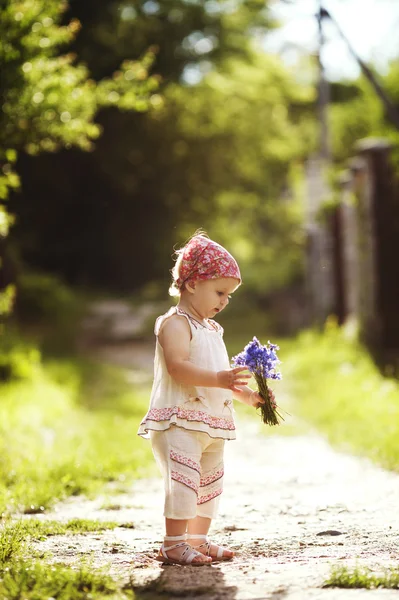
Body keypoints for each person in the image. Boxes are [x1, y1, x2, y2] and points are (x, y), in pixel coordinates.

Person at [138, 233, 267, 566]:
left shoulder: (212, 329)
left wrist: (250, 396)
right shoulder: (175, 324)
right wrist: (220, 379)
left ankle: (197, 540)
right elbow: (178, 368)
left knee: (209, 484)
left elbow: (220, 379)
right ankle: (172, 543)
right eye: (220, 292)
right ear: (193, 283)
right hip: (179, 420)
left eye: (229, 295)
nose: (224, 302)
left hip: (211, 424)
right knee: (183, 483)